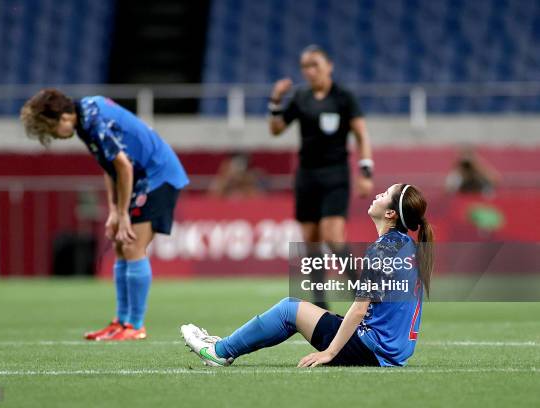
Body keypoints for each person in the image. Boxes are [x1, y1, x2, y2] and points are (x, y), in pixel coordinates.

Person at [181, 183, 433, 367]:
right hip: (393, 352)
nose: (378, 194)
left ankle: (219, 351)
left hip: (372, 350)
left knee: (288, 310)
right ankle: (225, 347)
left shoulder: (383, 248)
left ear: (390, 214)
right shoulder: (409, 247)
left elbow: (358, 309)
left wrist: (330, 352)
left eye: (385, 194)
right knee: (303, 311)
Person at [20, 89, 189, 341]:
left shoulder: (91, 122)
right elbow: (110, 166)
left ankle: (135, 325)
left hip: (158, 175)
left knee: (132, 244)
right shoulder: (86, 116)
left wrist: (122, 213)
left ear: (64, 117)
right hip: (142, 176)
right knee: (121, 245)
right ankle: (121, 322)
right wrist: (113, 211)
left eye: (51, 128)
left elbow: (122, 165)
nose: (53, 135)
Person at [268, 45, 374, 308]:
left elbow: (361, 134)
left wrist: (365, 170)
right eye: (305, 66)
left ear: (329, 66)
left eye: (314, 64)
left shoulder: (343, 97)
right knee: (311, 240)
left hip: (335, 173)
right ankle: (319, 304)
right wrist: (276, 102)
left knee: (333, 235)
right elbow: (277, 130)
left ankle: (363, 295)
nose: (309, 71)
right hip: (306, 175)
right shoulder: (301, 97)